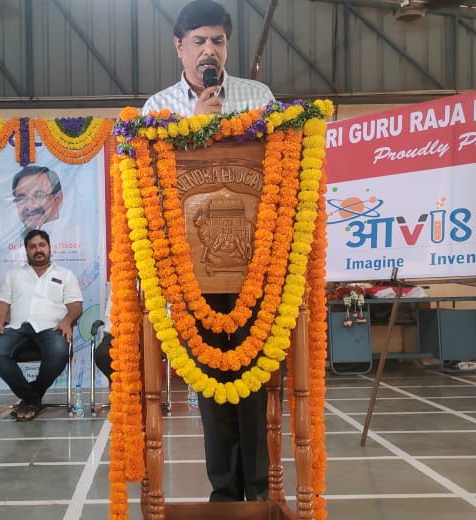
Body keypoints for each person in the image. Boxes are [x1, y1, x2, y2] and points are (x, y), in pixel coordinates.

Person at [142, 0, 275, 502]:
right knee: (210, 380)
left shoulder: (258, 97)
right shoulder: (158, 109)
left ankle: (256, 491)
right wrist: (195, 126)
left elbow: (278, 167)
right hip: (191, 271)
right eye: (198, 41)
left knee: (252, 381)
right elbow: (150, 183)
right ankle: (224, 492)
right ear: (179, 46)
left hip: (251, 266)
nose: (209, 50)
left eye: (218, 41)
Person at [0, 229, 83, 421]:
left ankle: (31, 398)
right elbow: (1, 304)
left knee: (60, 351)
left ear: (49, 247)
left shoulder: (65, 275)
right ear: (26, 250)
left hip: (52, 328)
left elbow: (75, 305)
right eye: (32, 247)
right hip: (17, 328)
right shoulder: (13, 275)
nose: (38, 250)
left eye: (42, 245)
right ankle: (32, 399)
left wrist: (67, 322)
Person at [12, 165, 64, 232]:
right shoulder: (10, 238)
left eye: (39, 196)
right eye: (21, 199)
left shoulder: (73, 235)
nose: (29, 205)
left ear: (58, 199)